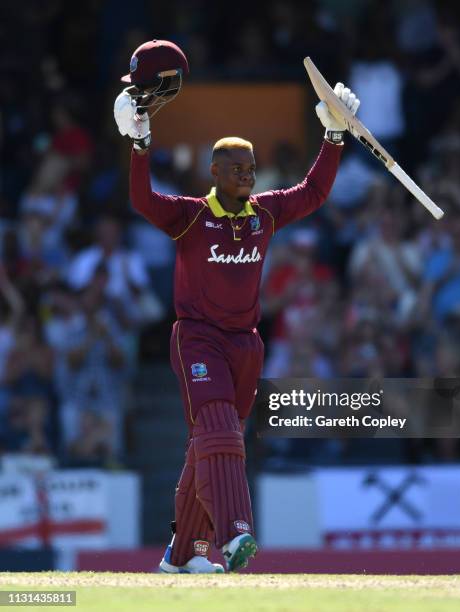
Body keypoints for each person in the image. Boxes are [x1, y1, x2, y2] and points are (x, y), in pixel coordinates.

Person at [113, 39, 360, 574]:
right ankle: (234, 536)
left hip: (246, 343)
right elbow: (141, 202)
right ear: (216, 173)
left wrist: (334, 135)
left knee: (208, 445)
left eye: (251, 167)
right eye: (238, 169)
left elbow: (313, 192)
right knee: (220, 431)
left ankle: (180, 558)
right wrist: (138, 148)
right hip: (198, 337)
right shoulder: (189, 216)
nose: (249, 175)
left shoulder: (264, 215)